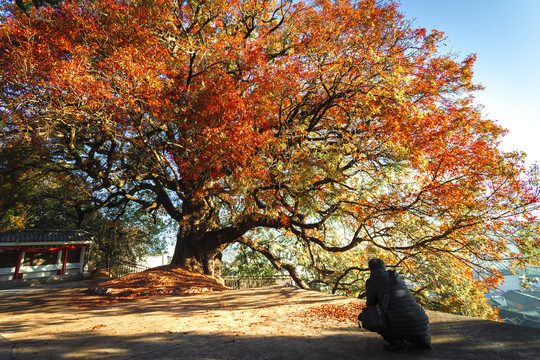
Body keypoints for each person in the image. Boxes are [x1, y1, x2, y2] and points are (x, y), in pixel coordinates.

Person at [363, 258, 432, 352]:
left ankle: (398, 345)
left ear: (370, 269)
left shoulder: (372, 281)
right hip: (421, 320)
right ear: (384, 266)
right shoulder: (395, 276)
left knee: (372, 318)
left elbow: (371, 304)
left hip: (401, 321)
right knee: (398, 315)